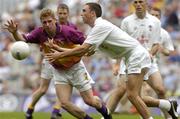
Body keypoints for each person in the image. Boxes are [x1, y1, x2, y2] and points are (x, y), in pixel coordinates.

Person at [45, 2, 153, 119]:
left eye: (84, 11)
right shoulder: (95, 29)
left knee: (132, 95)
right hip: (132, 56)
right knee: (134, 95)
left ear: (92, 13)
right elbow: (85, 51)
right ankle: (166, 107)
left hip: (136, 55)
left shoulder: (100, 26)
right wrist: (58, 48)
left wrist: (60, 55)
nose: (81, 14)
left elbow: (83, 49)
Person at [4, 8, 111, 119]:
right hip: (59, 71)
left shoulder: (67, 31)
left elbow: (87, 43)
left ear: (55, 20)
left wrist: (88, 51)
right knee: (64, 103)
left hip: (76, 69)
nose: (47, 24)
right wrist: (15, 32)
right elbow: (22, 40)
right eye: (44, 22)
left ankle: (105, 112)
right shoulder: (40, 33)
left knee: (90, 101)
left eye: (49, 21)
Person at [105, 0, 178, 119]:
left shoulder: (155, 22)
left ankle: (168, 115)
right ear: (133, 4)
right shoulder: (126, 21)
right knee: (124, 91)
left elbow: (156, 45)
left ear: (146, 4)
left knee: (159, 89)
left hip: (149, 62)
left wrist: (148, 55)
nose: (138, 4)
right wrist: (116, 64)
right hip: (129, 61)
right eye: (136, 2)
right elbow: (120, 44)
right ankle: (105, 115)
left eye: (141, 2)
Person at [24, 3, 79, 119]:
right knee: (43, 89)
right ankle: (30, 108)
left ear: (68, 14)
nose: (62, 16)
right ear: (56, 15)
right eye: (60, 13)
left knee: (64, 86)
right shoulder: (50, 26)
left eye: (64, 13)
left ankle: (56, 111)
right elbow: (40, 40)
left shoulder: (72, 28)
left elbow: (76, 44)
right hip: (50, 61)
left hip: (64, 61)